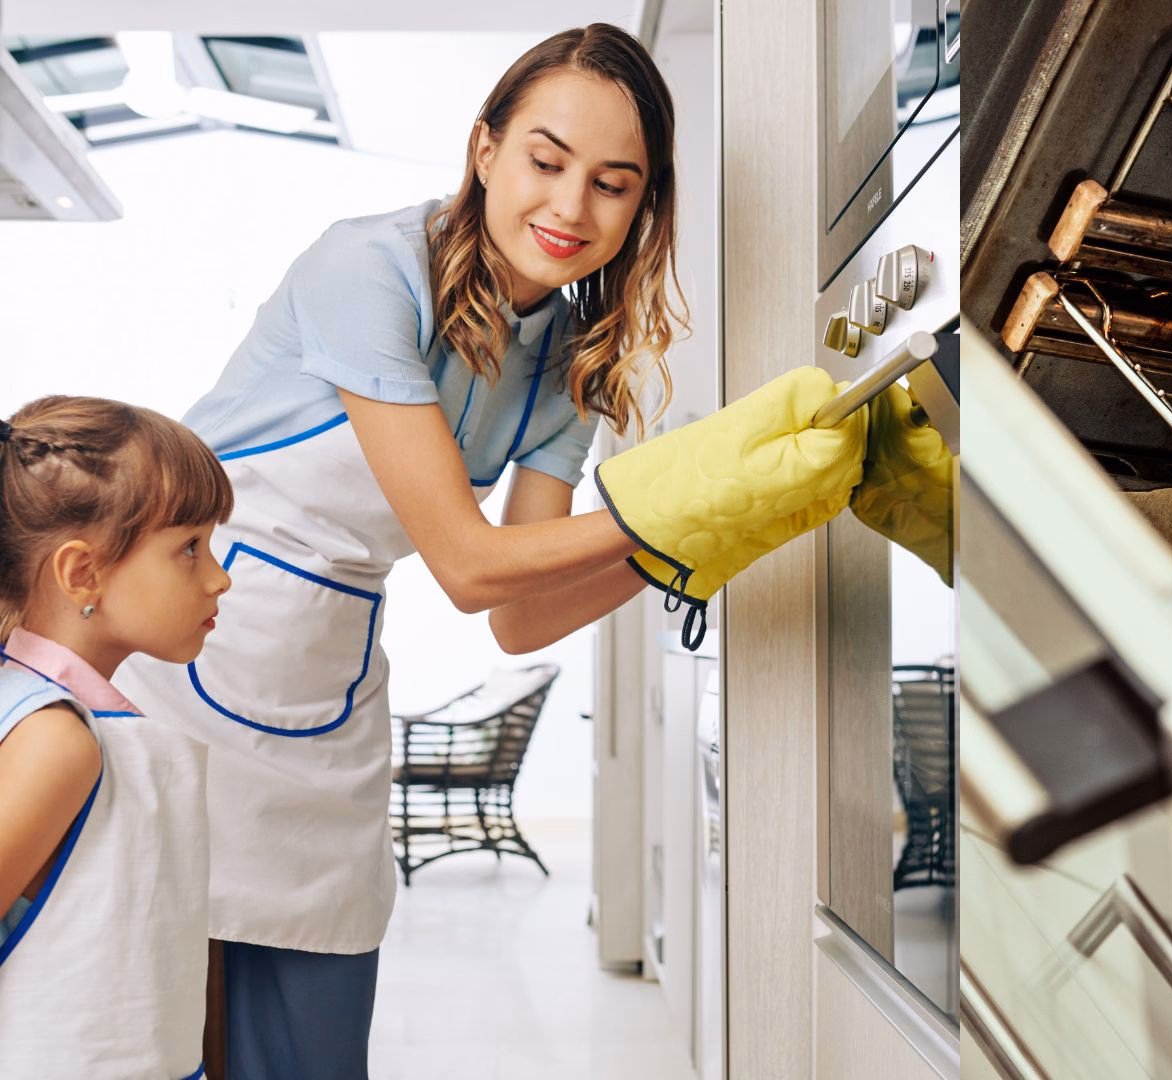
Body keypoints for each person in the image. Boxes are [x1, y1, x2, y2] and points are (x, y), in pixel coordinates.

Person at [112, 23, 870, 1079]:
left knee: (314, 1050)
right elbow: (469, 561)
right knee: (155, 1037)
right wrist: (668, 503)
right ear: (485, 151)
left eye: (613, 183)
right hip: (173, 672)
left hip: (324, 702)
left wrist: (701, 538)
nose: (569, 209)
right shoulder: (367, 269)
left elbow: (516, 609)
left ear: (644, 206)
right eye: (545, 162)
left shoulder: (564, 360)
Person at [0, 396, 235, 1080]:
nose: (219, 578)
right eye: (188, 548)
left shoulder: (69, 721)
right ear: (84, 573)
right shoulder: (57, 741)